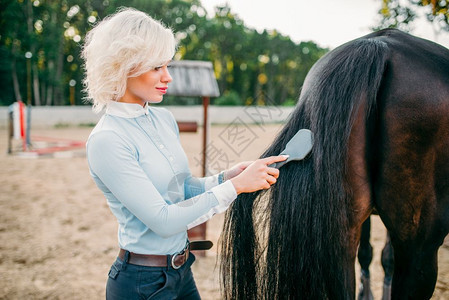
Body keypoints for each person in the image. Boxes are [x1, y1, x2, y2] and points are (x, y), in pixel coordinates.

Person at [82, 7, 287, 300]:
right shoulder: (107, 140)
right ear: (123, 66)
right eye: (156, 68)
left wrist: (227, 176)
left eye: (167, 65)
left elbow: (181, 189)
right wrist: (235, 187)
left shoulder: (163, 118)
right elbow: (163, 220)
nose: (168, 77)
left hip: (181, 272)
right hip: (142, 284)